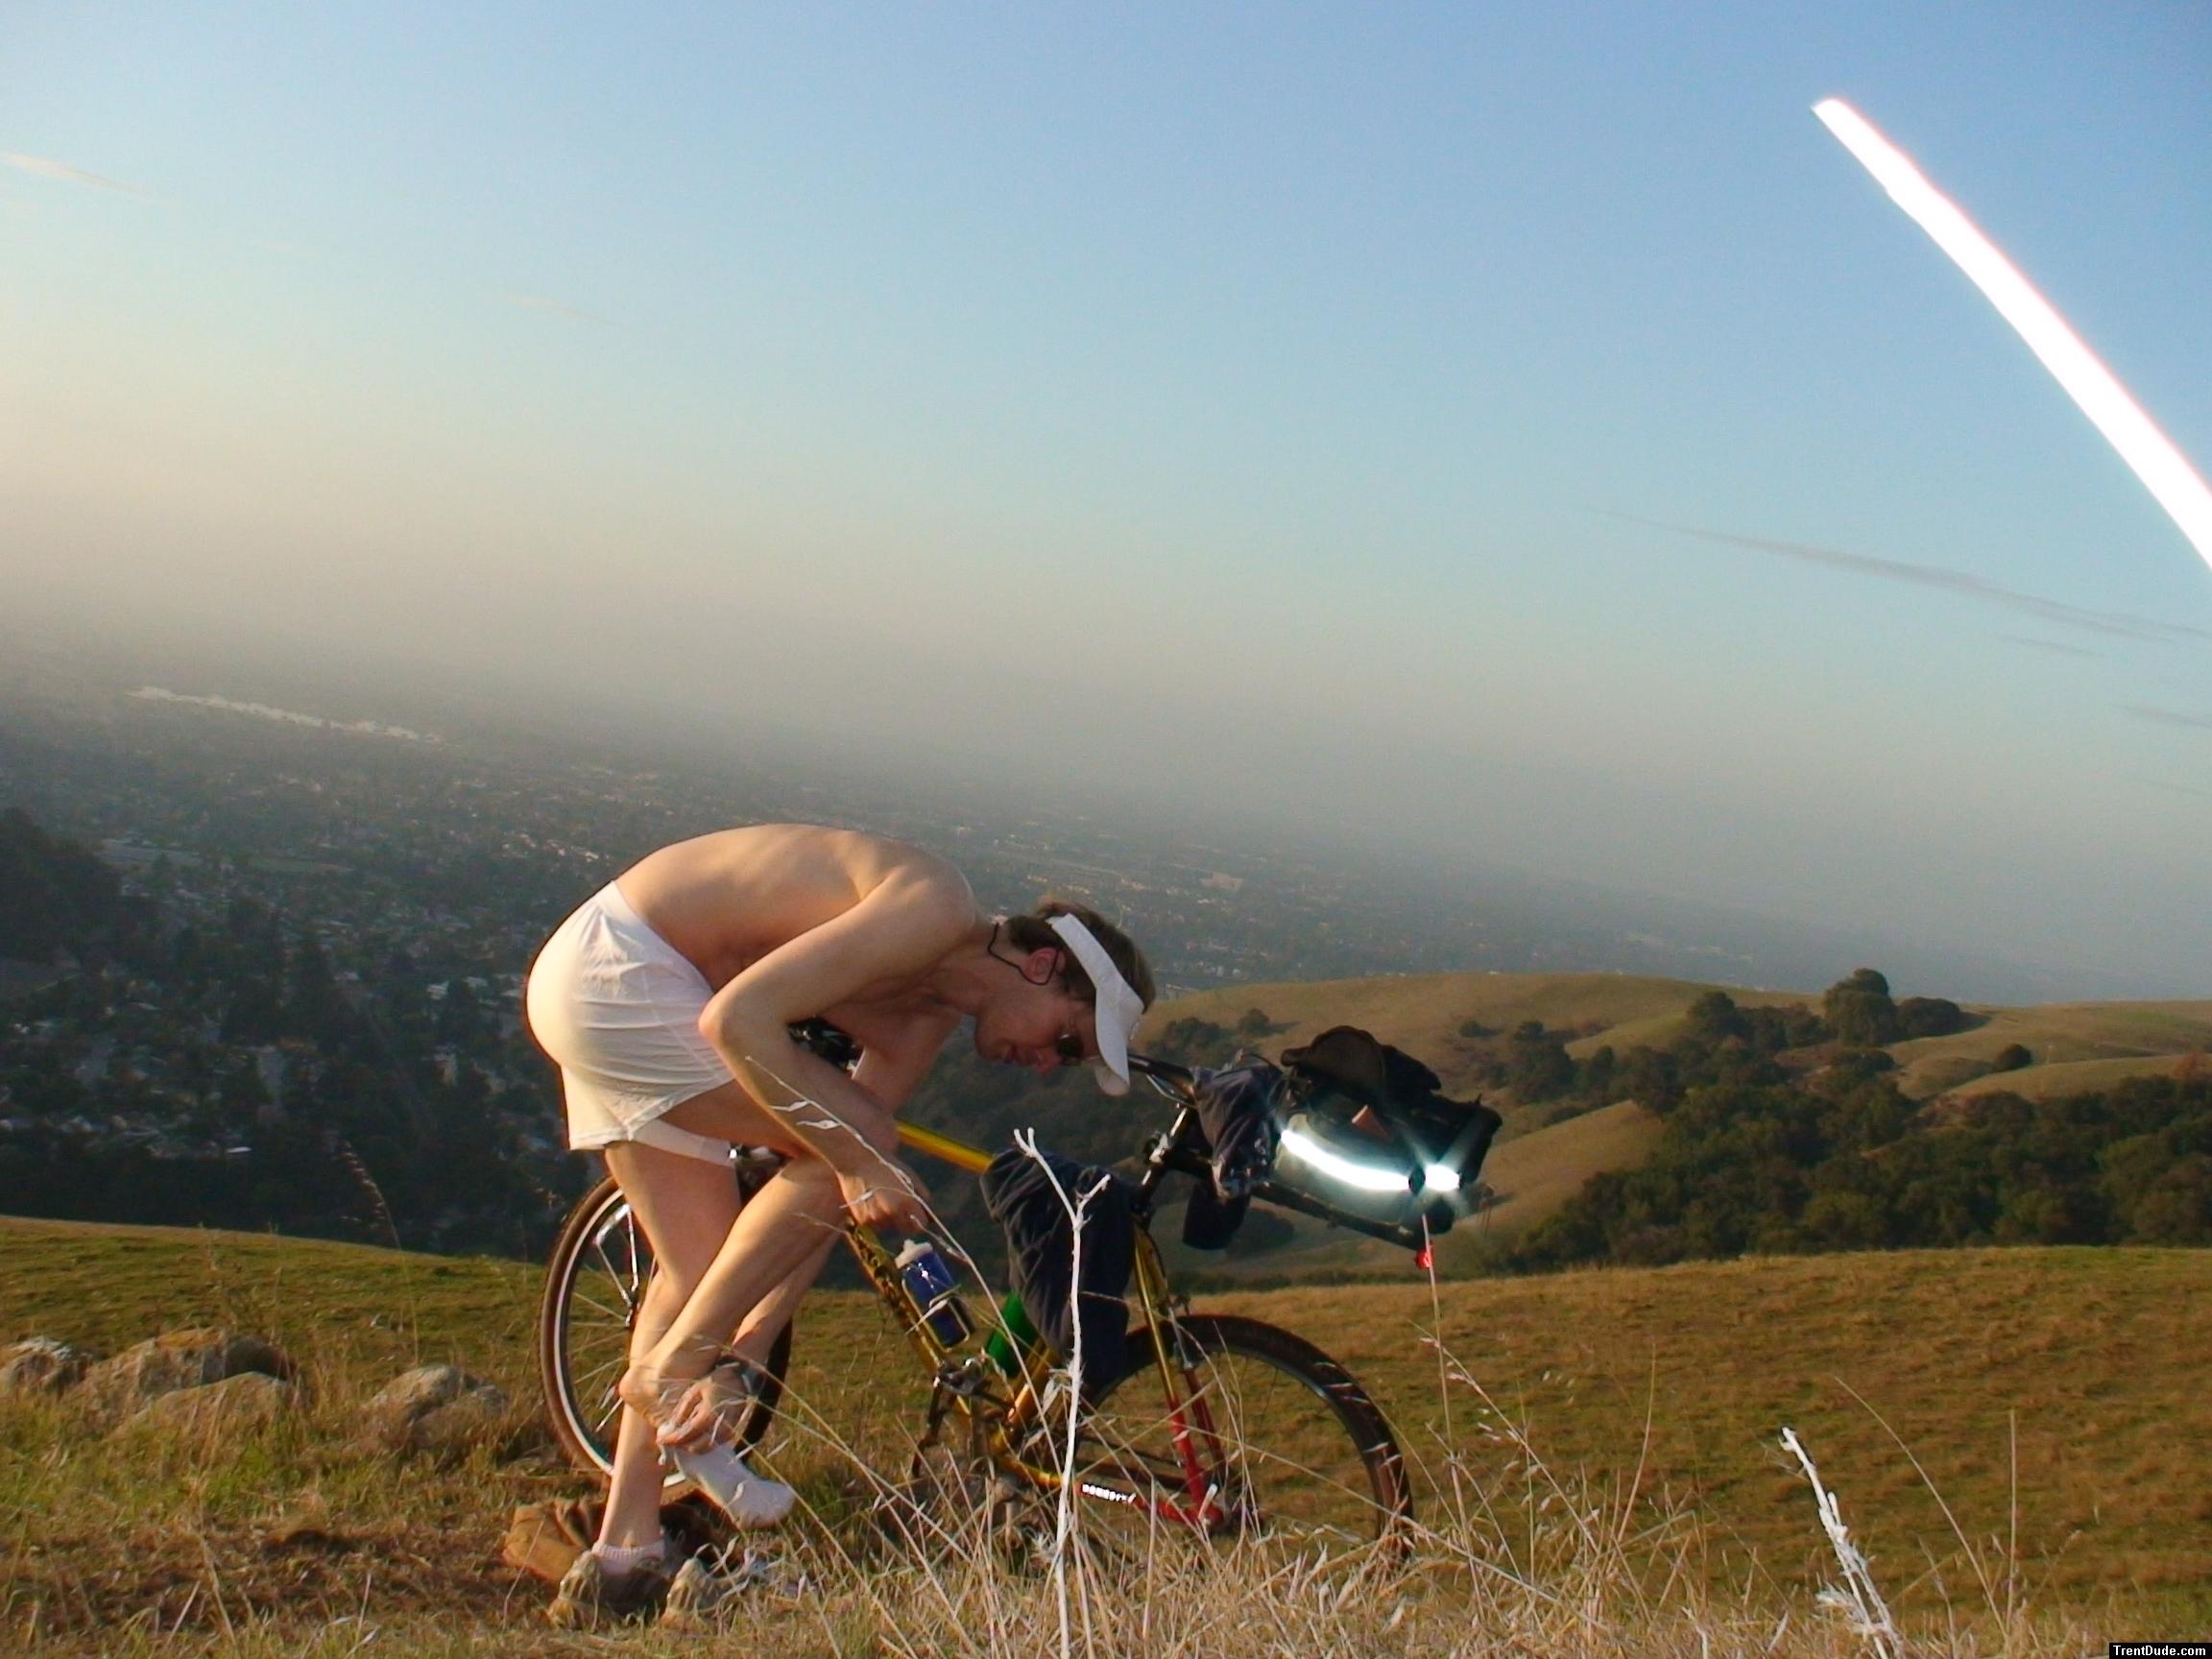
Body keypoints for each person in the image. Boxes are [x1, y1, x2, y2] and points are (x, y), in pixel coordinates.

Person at [523, 823, 1155, 1625]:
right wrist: (858, 1161)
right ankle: (670, 1370)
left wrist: (744, 1359)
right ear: (1043, 965)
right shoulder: (935, 907)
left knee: (700, 1271)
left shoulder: (920, 1022)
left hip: (607, 980)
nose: (1049, 1062)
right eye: (1068, 1038)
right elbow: (740, 1026)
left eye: (1069, 1059)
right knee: (862, 1140)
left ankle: (623, 1556)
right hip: (627, 974)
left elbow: (821, 1200)